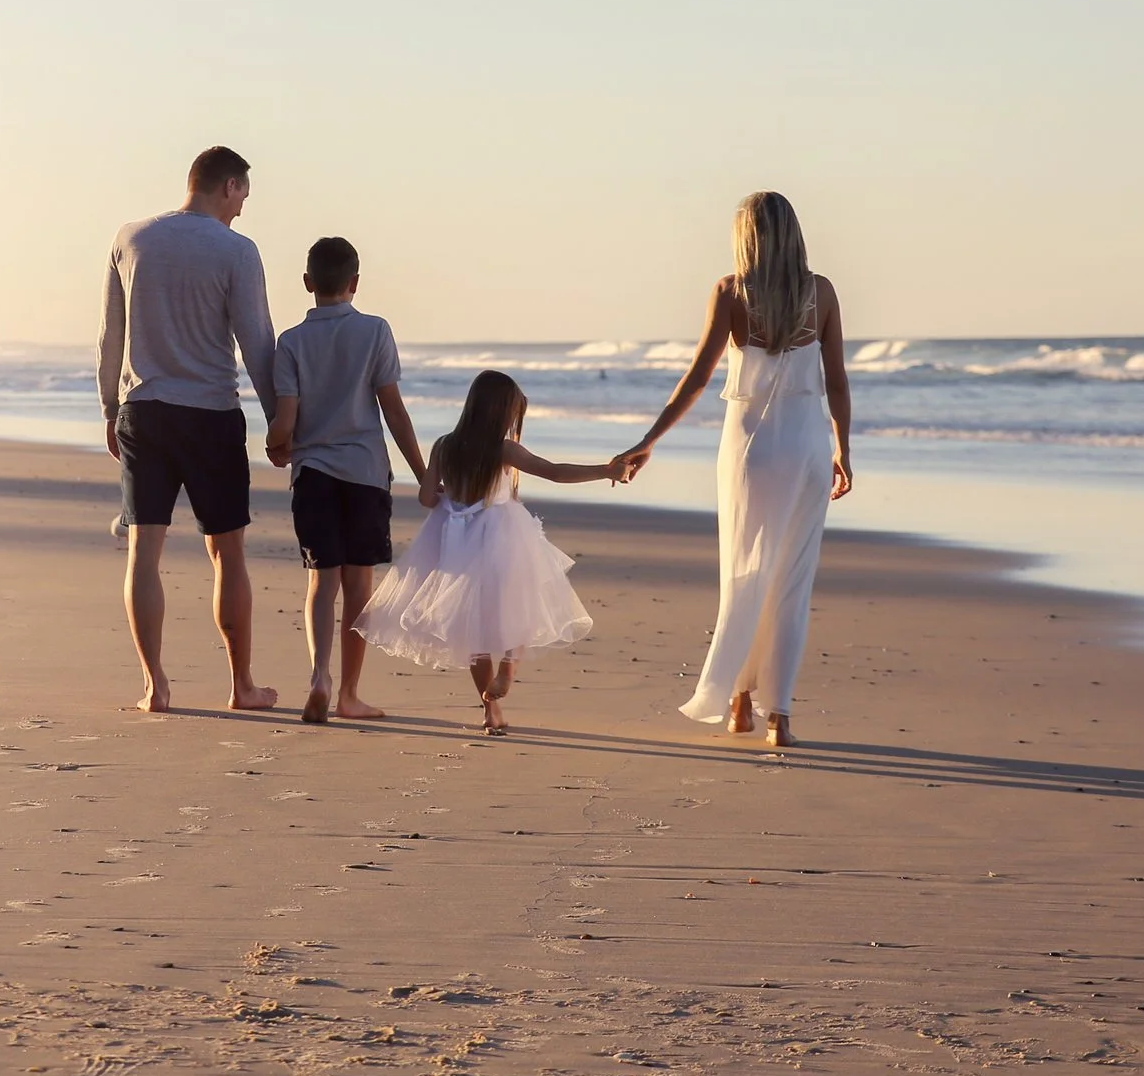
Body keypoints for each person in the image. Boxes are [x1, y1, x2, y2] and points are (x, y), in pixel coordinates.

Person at [616, 191, 852, 748]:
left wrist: (650, 439)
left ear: (745, 235)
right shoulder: (821, 293)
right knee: (793, 581)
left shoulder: (731, 292)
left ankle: (739, 703)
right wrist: (844, 448)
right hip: (807, 446)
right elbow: (837, 381)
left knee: (743, 570)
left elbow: (698, 379)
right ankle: (781, 718)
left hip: (749, 449)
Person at [97, 146, 281, 713]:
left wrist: (109, 408)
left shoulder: (131, 238)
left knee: (142, 553)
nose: (243, 209)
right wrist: (280, 420)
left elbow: (111, 336)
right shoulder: (237, 250)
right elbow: (257, 341)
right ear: (228, 186)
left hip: (145, 410)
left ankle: (155, 685)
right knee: (227, 554)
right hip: (210, 415)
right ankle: (241, 685)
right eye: (243, 196)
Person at [356, 369, 622, 734]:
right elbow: (553, 472)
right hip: (502, 534)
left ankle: (490, 710)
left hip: (455, 541)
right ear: (502, 411)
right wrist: (604, 470)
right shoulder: (504, 449)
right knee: (522, 601)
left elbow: (425, 498)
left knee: (472, 626)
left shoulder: (445, 446)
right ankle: (509, 666)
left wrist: (450, 492)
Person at [263, 236, 427, 725]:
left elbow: (285, 419)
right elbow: (393, 410)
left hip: (313, 476)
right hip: (365, 475)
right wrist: (423, 473)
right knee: (359, 586)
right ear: (355, 283)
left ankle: (318, 675)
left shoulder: (290, 342)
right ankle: (350, 694)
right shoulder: (375, 331)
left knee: (321, 583)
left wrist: (275, 444)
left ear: (308, 283)